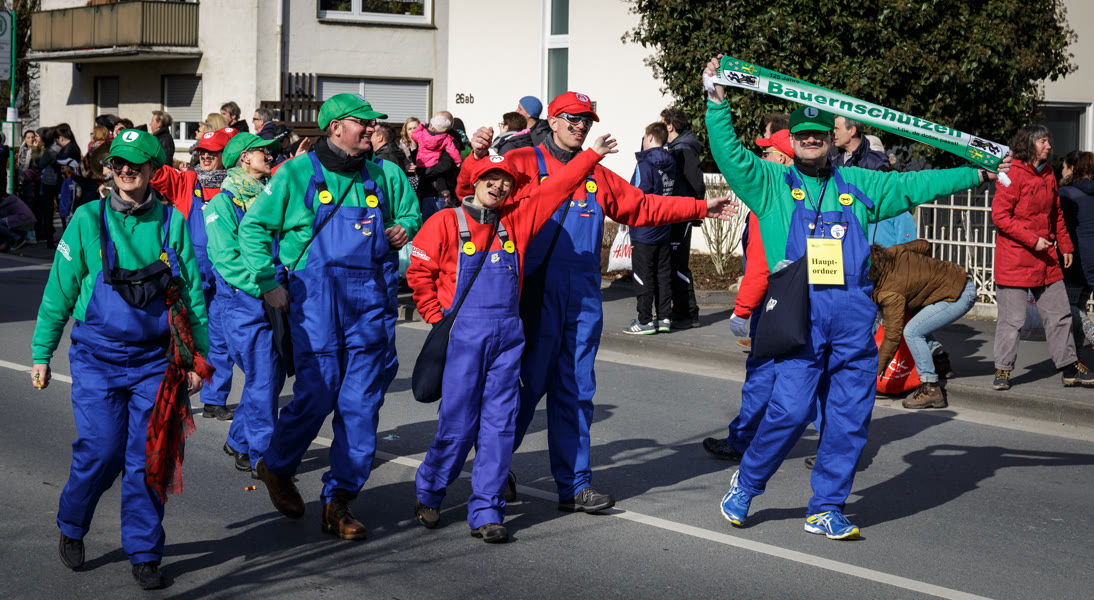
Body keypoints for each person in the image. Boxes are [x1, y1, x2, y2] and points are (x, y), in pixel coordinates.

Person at [703, 54, 1011, 540]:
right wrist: (716, 102)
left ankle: (826, 507)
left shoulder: (859, 184)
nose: (810, 140)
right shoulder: (770, 184)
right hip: (800, 321)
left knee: (848, 420)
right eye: (802, 135)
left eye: (818, 134)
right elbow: (729, 155)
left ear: (830, 139)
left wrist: (976, 175)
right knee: (789, 413)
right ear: (791, 141)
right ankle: (747, 484)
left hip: (852, 321)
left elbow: (914, 185)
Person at [459, 91, 737, 513]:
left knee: (576, 392)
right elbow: (474, 193)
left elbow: (641, 206)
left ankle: (575, 485)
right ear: (553, 120)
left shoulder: (596, 174)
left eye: (586, 120)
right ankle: (494, 470)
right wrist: (476, 157)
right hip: (532, 295)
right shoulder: (522, 162)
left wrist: (698, 207)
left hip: (583, 299)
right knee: (521, 390)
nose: (581, 126)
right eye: (573, 118)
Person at [408, 138, 616, 544]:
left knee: (500, 428)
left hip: (507, 341)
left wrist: (591, 155)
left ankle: (487, 510)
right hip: (463, 341)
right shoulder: (446, 222)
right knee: (458, 427)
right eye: (491, 177)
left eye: (505, 180)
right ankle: (430, 490)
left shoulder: (516, 222)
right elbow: (419, 275)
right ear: (474, 181)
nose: (499, 185)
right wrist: (438, 319)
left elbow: (558, 186)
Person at [30, 128, 210, 590]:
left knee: (148, 459)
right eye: (118, 164)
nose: (126, 171)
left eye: (136, 165)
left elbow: (191, 294)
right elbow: (60, 290)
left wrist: (197, 358)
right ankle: (72, 523)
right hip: (96, 358)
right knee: (101, 451)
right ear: (109, 169)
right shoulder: (86, 219)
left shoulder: (172, 222)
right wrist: (41, 353)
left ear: (152, 170)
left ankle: (145, 553)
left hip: (155, 362)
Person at [239, 93, 421, 540]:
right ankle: (276, 466)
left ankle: (338, 500)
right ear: (336, 127)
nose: (372, 129)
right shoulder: (296, 173)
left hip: (370, 305)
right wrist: (267, 282)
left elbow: (411, 213)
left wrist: (405, 227)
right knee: (316, 396)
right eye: (363, 122)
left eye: (373, 123)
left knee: (361, 405)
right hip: (315, 302)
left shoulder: (386, 174)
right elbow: (254, 228)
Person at [704, 127, 793, 461]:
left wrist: (741, 310)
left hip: (773, 304)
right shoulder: (810, 192)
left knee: (761, 373)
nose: (760, 157)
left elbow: (759, 265)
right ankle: (833, 445)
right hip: (806, 299)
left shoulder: (768, 197)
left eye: (766, 152)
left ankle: (742, 441)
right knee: (809, 373)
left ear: (782, 159)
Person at [204, 132, 286, 474]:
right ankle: (261, 457)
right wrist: (265, 288)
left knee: (270, 377)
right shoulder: (222, 205)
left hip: (272, 295)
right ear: (243, 158)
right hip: (243, 301)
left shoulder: (268, 197)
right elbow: (227, 260)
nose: (269, 156)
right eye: (261, 151)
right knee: (264, 377)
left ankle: (238, 439)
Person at [992, 126, 1094, 390]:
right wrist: (1031, 239)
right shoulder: (1011, 173)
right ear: (1028, 144)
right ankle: (1003, 369)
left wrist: (1066, 246)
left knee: (1060, 315)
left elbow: (1056, 213)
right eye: (1042, 141)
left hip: (1046, 258)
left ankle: (1069, 368)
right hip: (1014, 259)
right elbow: (1000, 216)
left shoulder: (1048, 173)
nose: (1049, 146)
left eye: (1048, 140)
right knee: (1012, 320)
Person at [151, 127, 241, 421]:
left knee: (220, 339)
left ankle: (214, 399)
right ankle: (173, 395)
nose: (205, 156)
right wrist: (146, 148)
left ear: (226, 155)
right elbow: (157, 173)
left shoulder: (237, 185)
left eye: (212, 152)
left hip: (223, 275)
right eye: (201, 151)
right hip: (188, 277)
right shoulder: (188, 181)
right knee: (179, 338)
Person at [870, 240, 977, 408]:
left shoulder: (889, 292)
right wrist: (927, 270)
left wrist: (873, 372)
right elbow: (925, 245)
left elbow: (892, 338)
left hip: (959, 295)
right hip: (959, 279)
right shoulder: (894, 251)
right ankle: (940, 363)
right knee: (916, 317)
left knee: (912, 332)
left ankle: (931, 389)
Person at [625, 121, 678, 334]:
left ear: (648, 137)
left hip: (644, 229)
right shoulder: (671, 162)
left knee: (643, 275)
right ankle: (664, 317)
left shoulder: (644, 164)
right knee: (663, 274)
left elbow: (637, 194)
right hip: (664, 226)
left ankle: (644, 319)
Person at [660, 108, 706, 328]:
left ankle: (687, 313)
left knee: (678, 263)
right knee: (673, 261)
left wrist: (697, 210)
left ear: (670, 126)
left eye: (662, 123)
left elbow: (696, 181)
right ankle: (680, 310)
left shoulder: (683, 149)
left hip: (683, 212)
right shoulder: (676, 148)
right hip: (677, 211)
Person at [1059, 151, 1094, 354]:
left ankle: (1091, 335)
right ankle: (1076, 356)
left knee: (1066, 306)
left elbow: (1058, 224)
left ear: (1072, 169)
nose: (1061, 172)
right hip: (1090, 257)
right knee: (1079, 304)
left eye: (1064, 167)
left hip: (1075, 257)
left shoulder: (1066, 193)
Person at [412, 112, 463, 204]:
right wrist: (414, 147)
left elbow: (445, 165)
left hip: (440, 193)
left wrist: (425, 171)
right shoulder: (428, 135)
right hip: (426, 189)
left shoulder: (450, 139)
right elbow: (418, 158)